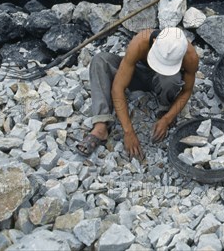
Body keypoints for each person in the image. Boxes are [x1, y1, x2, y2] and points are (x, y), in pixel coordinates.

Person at [77, 26, 199, 159]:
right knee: (99, 61)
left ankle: (165, 107)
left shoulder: (190, 56)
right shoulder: (140, 42)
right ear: (154, 40)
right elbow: (118, 88)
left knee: (172, 79)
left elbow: (187, 91)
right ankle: (100, 125)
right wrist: (128, 131)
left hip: (163, 82)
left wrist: (167, 119)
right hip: (137, 74)